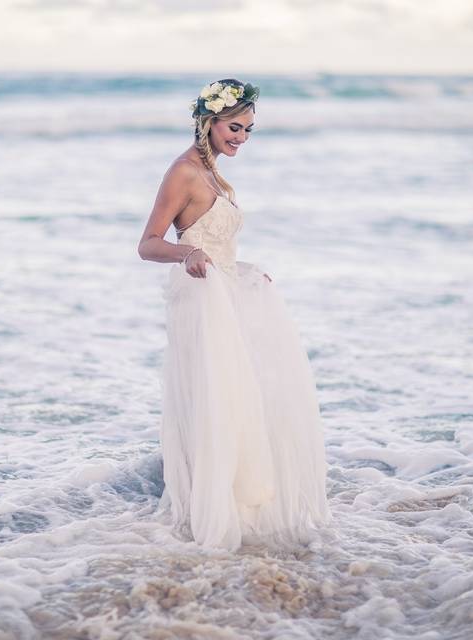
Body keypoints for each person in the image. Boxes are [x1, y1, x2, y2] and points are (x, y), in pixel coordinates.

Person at [137, 78, 329, 551]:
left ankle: (238, 508)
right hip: (201, 302)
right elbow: (148, 244)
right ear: (210, 122)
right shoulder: (183, 172)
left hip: (225, 292)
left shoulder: (215, 174)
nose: (241, 137)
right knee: (217, 399)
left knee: (242, 397)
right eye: (234, 127)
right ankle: (208, 514)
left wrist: (243, 272)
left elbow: (219, 246)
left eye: (248, 130)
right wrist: (186, 256)